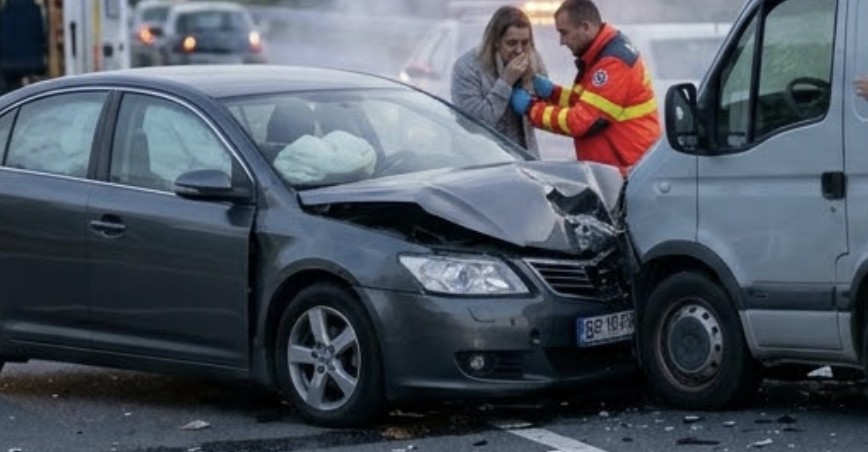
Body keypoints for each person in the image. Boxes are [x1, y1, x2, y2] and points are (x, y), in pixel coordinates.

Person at [509, 0, 661, 175]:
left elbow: (581, 121)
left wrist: (531, 108)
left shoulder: (612, 63)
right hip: (619, 167)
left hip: (626, 170)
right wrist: (553, 93)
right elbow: (585, 102)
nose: (562, 41)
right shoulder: (601, 53)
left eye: (564, 33)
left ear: (586, 27)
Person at [451, 6, 547, 157]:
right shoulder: (467, 68)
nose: (519, 50)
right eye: (512, 43)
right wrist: (506, 82)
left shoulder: (533, 60)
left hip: (525, 159)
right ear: (495, 42)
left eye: (525, 42)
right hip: (484, 163)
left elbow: (545, 112)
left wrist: (530, 82)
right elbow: (473, 125)